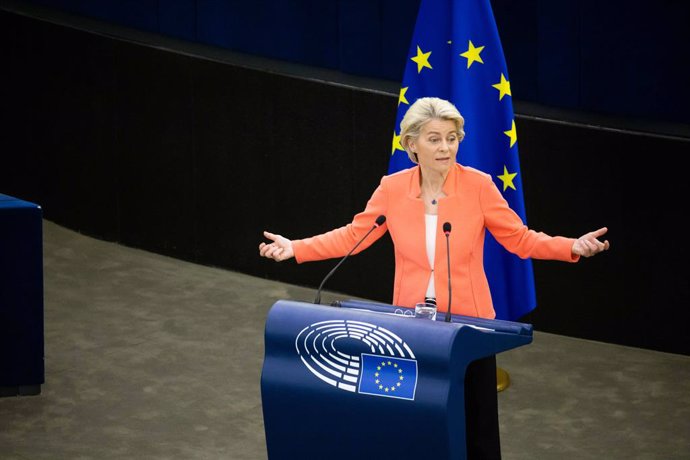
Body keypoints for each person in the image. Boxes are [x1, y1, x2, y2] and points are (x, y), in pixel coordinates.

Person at [258, 96, 609, 459]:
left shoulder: (479, 186)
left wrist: (572, 247)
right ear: (411, 143)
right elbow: (353, 235)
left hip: (468, 327)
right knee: (412, 420)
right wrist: (296, 248)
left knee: (477, 428)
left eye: (452, 138)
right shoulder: (392, 189)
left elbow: (520, 239)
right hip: (408, 329)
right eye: (435, 138)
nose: (446, 147)